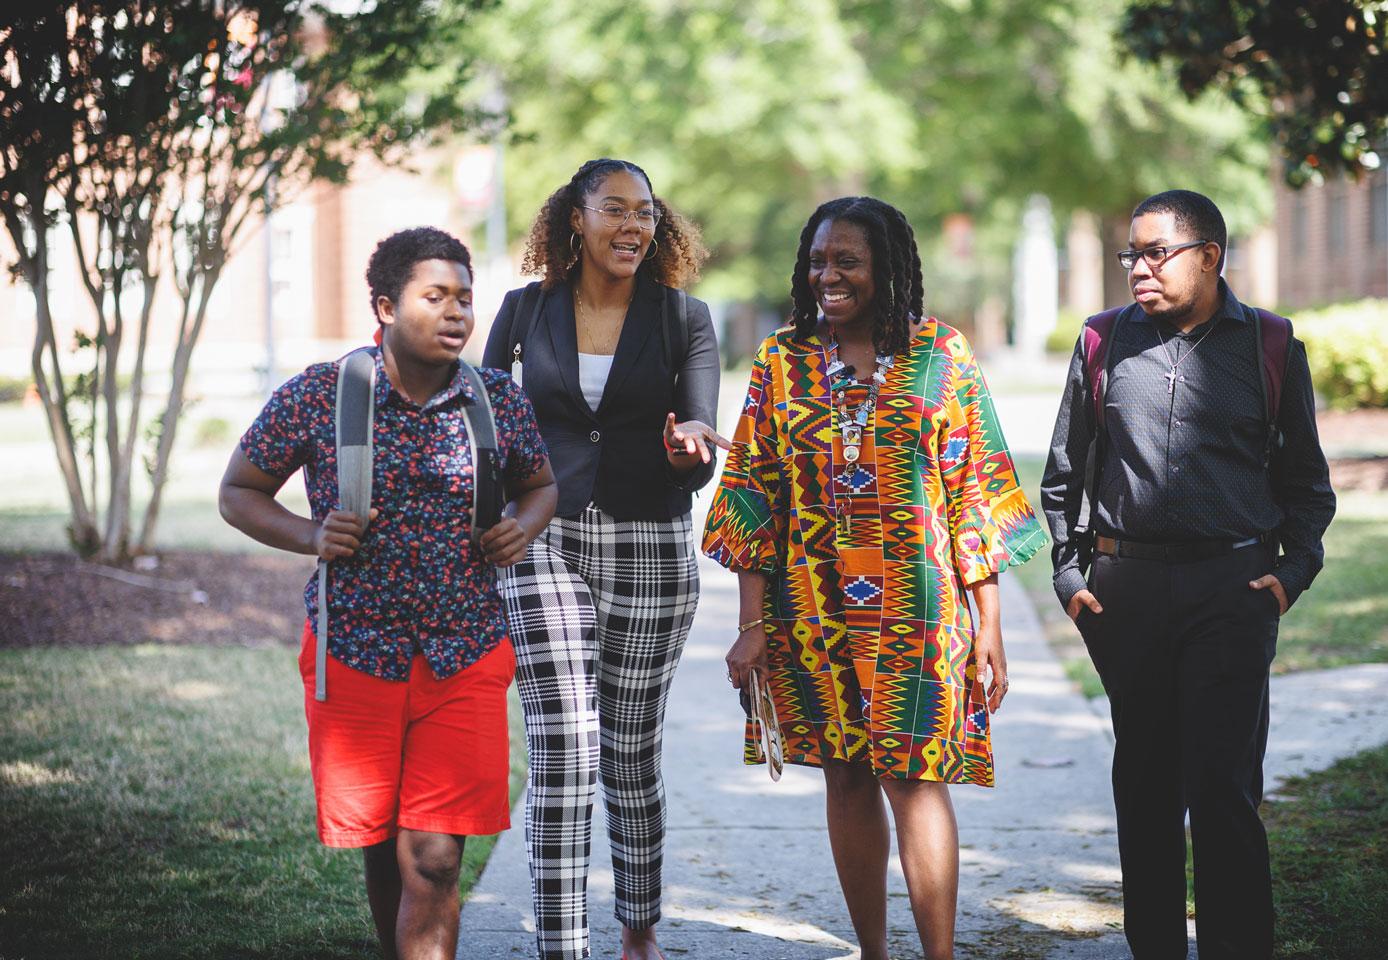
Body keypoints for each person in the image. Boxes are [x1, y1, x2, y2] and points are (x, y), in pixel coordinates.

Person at [703, 196, 1047, 960]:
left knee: (917, 778)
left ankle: (939, 955)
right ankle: (873, 952)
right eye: (818, 261)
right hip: (810, 608)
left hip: (920, 611)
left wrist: (989, 626)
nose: (828, 276)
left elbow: (977, 492)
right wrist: (751, 625)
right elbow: (753, 493)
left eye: (846, 261)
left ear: (885, 269)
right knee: (846, 778)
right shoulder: (780, 360)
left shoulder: (942, 356)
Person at [219, 227, 557, 960]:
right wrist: (309, 536)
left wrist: (521, 527)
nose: (457, 312)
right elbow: (238, 491)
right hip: (355, 654)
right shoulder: (320, 394)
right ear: (384, 306)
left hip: (463, 652)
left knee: (433, 855)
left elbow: (541, 485)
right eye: (435, 297)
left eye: (465, 298)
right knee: (381, 844)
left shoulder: (493, 398)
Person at [1041, 190, 1336, 959]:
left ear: (1209, 255)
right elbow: (1063, 477)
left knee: (1225, 793)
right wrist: (1073, 582)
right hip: (1126, 596)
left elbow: (1307, 485)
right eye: (1130, 254)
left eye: (1155, 252)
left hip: (1233, 593)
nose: (1139, 268)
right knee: (1144, 793)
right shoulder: (1102, 342)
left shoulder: (1270, 345)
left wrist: (1292, 573)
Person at [481, 158, 722, 960]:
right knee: (565, 741)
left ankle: (639, 927)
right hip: (542, 534)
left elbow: (699, 437)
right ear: (574, 220)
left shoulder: (684, 318)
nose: (633, 226)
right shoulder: (523, 312)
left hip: (650, 540)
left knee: (627, 749)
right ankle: (561, 944)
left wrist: (688, 450)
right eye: (614, 209)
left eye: (646, 212)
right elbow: (485, 429)